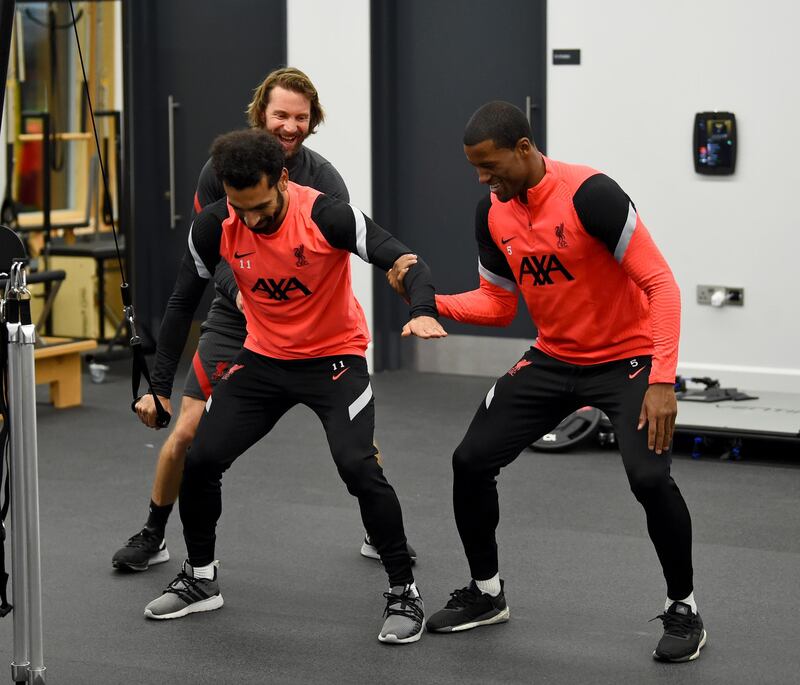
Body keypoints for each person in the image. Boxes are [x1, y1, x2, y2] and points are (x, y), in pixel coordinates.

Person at [389, 101, 705, 662]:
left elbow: (661, 285)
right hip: (554, 357)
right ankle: (486, 593)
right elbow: (498, 304)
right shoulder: (493, 212)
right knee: (470, 461)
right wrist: (428, 302)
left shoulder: (591, 195)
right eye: (475, 170)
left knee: (650, 478)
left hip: (627, 360)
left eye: (491, 166)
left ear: (525, 149)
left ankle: (684, 607)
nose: (484, 179)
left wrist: (662, 380)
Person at [136, 128, 446, 644]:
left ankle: (403, 592)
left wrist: (421, 307)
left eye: (259, 206)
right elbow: (180, 302)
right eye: (240, 208)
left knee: (358, 466)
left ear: (282, 178)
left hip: (335, 360)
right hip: (263, 360)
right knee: (201, 457)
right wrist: (159, 385)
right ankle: (200, 579)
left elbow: (405, 259)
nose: (250, 220)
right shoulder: (215, 226)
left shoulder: (325, 214)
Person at [112, 67, 413, 571]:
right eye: (281, 115)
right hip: (237, 313)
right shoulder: (222, 170)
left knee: (359, 449)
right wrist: (159, 383)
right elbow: (211, 258)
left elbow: (342, 253)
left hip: (311, 327)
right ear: (261, 114)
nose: (290, 125)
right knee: (188, 434)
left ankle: (378, 530)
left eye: (301, 117)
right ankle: (154, 533)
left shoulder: (325, 180)